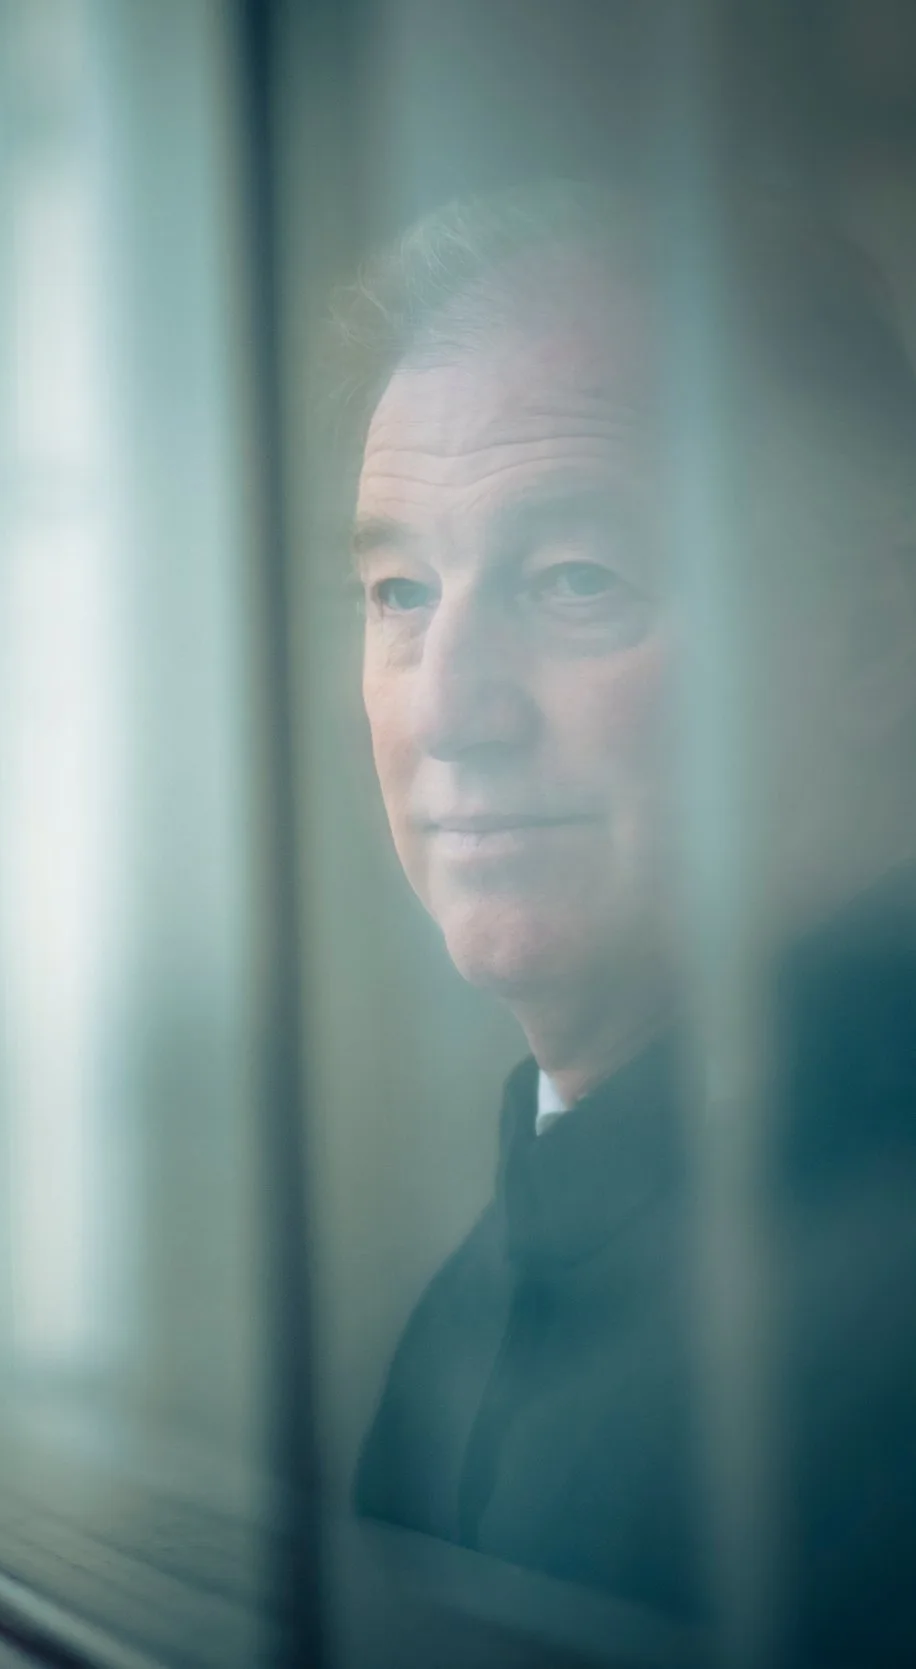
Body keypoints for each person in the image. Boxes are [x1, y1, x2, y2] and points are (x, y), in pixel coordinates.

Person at [344, 184, 916, 1661]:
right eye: (401, 591)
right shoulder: (486, 1282)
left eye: (576, 580)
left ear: (874, 635)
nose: (449, 709)